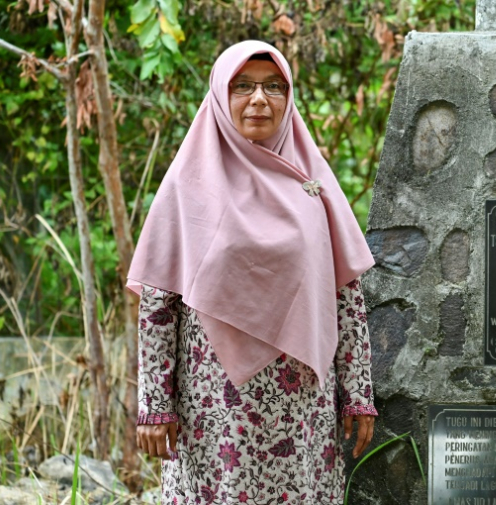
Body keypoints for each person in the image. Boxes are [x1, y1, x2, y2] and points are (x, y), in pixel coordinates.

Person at [126, 40, 377, 504]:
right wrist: (155, 406)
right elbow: (159, 304)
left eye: (273, 87)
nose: (259, 99)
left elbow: (345, 295)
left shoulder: (313, 183)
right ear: (221, 96)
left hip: (302, 410)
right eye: (242, 86)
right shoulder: (188, 183)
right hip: (214, 411)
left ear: (288, 97)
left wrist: (357, 393)